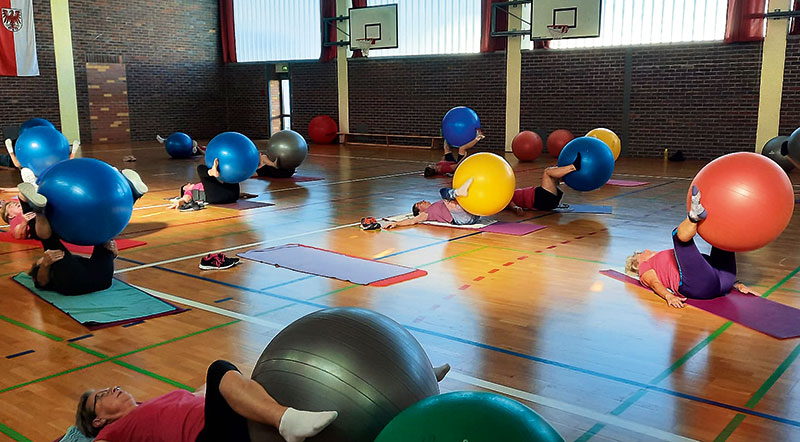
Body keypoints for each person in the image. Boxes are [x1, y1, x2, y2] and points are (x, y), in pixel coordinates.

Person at [75, 360, 339, 442]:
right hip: (208, 438)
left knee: (224, 377)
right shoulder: (112, 432)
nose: (112, 388)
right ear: (99, 420)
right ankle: (286, 420)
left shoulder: (150, 407)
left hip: (223, 425)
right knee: (218, 370)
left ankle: (286, 418)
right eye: (101, 396)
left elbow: (199, 396)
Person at [624, 186, 759, 308]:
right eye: (640, 252)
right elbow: (654, 283)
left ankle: (725, 209)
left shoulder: (660, 258)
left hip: (724, 281)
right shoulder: (645, 266)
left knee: (722, 239)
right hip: (700, 286)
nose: (646, 250)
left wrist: (736, 284)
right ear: (637, 262)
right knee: (678, 237)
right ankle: (693, 216)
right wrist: (668, 296)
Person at [384, 178, 478, 229]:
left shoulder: (436, 204)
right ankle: (457, 192)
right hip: (462, 219)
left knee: (449, 197)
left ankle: (459, 192)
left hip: (474, 213)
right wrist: (396, 224)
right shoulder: (426, 214)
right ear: (420, 212)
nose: (423, 201)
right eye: (420, 204)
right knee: (443, 192)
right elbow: (412, 221)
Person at [505, 159, 580, 215]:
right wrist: (517, 209)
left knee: (553, 174)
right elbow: (514, 207)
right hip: (541, 199)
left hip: (543, 198)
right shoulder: (506, 198)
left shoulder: (508, 194)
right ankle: (573, 166)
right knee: (547, 172)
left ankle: (568, 171)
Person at [168, 159, 240, 211]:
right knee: (200, 168)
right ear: (185, 189)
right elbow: (186, 198)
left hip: (233, 195)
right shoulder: (189, 191)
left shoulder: (200, 185)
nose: (189, 183)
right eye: (187, 185)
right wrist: (182, 200)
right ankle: (212, 172)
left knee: (230, 176)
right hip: (215, 197)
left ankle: (230, 165)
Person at [5, 137, 82, 184]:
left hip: (47, 179)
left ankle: (11, 152)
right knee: (22, 168)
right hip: (40, 180)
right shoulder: (29, 167)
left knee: (63, 166)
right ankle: (11, 152)